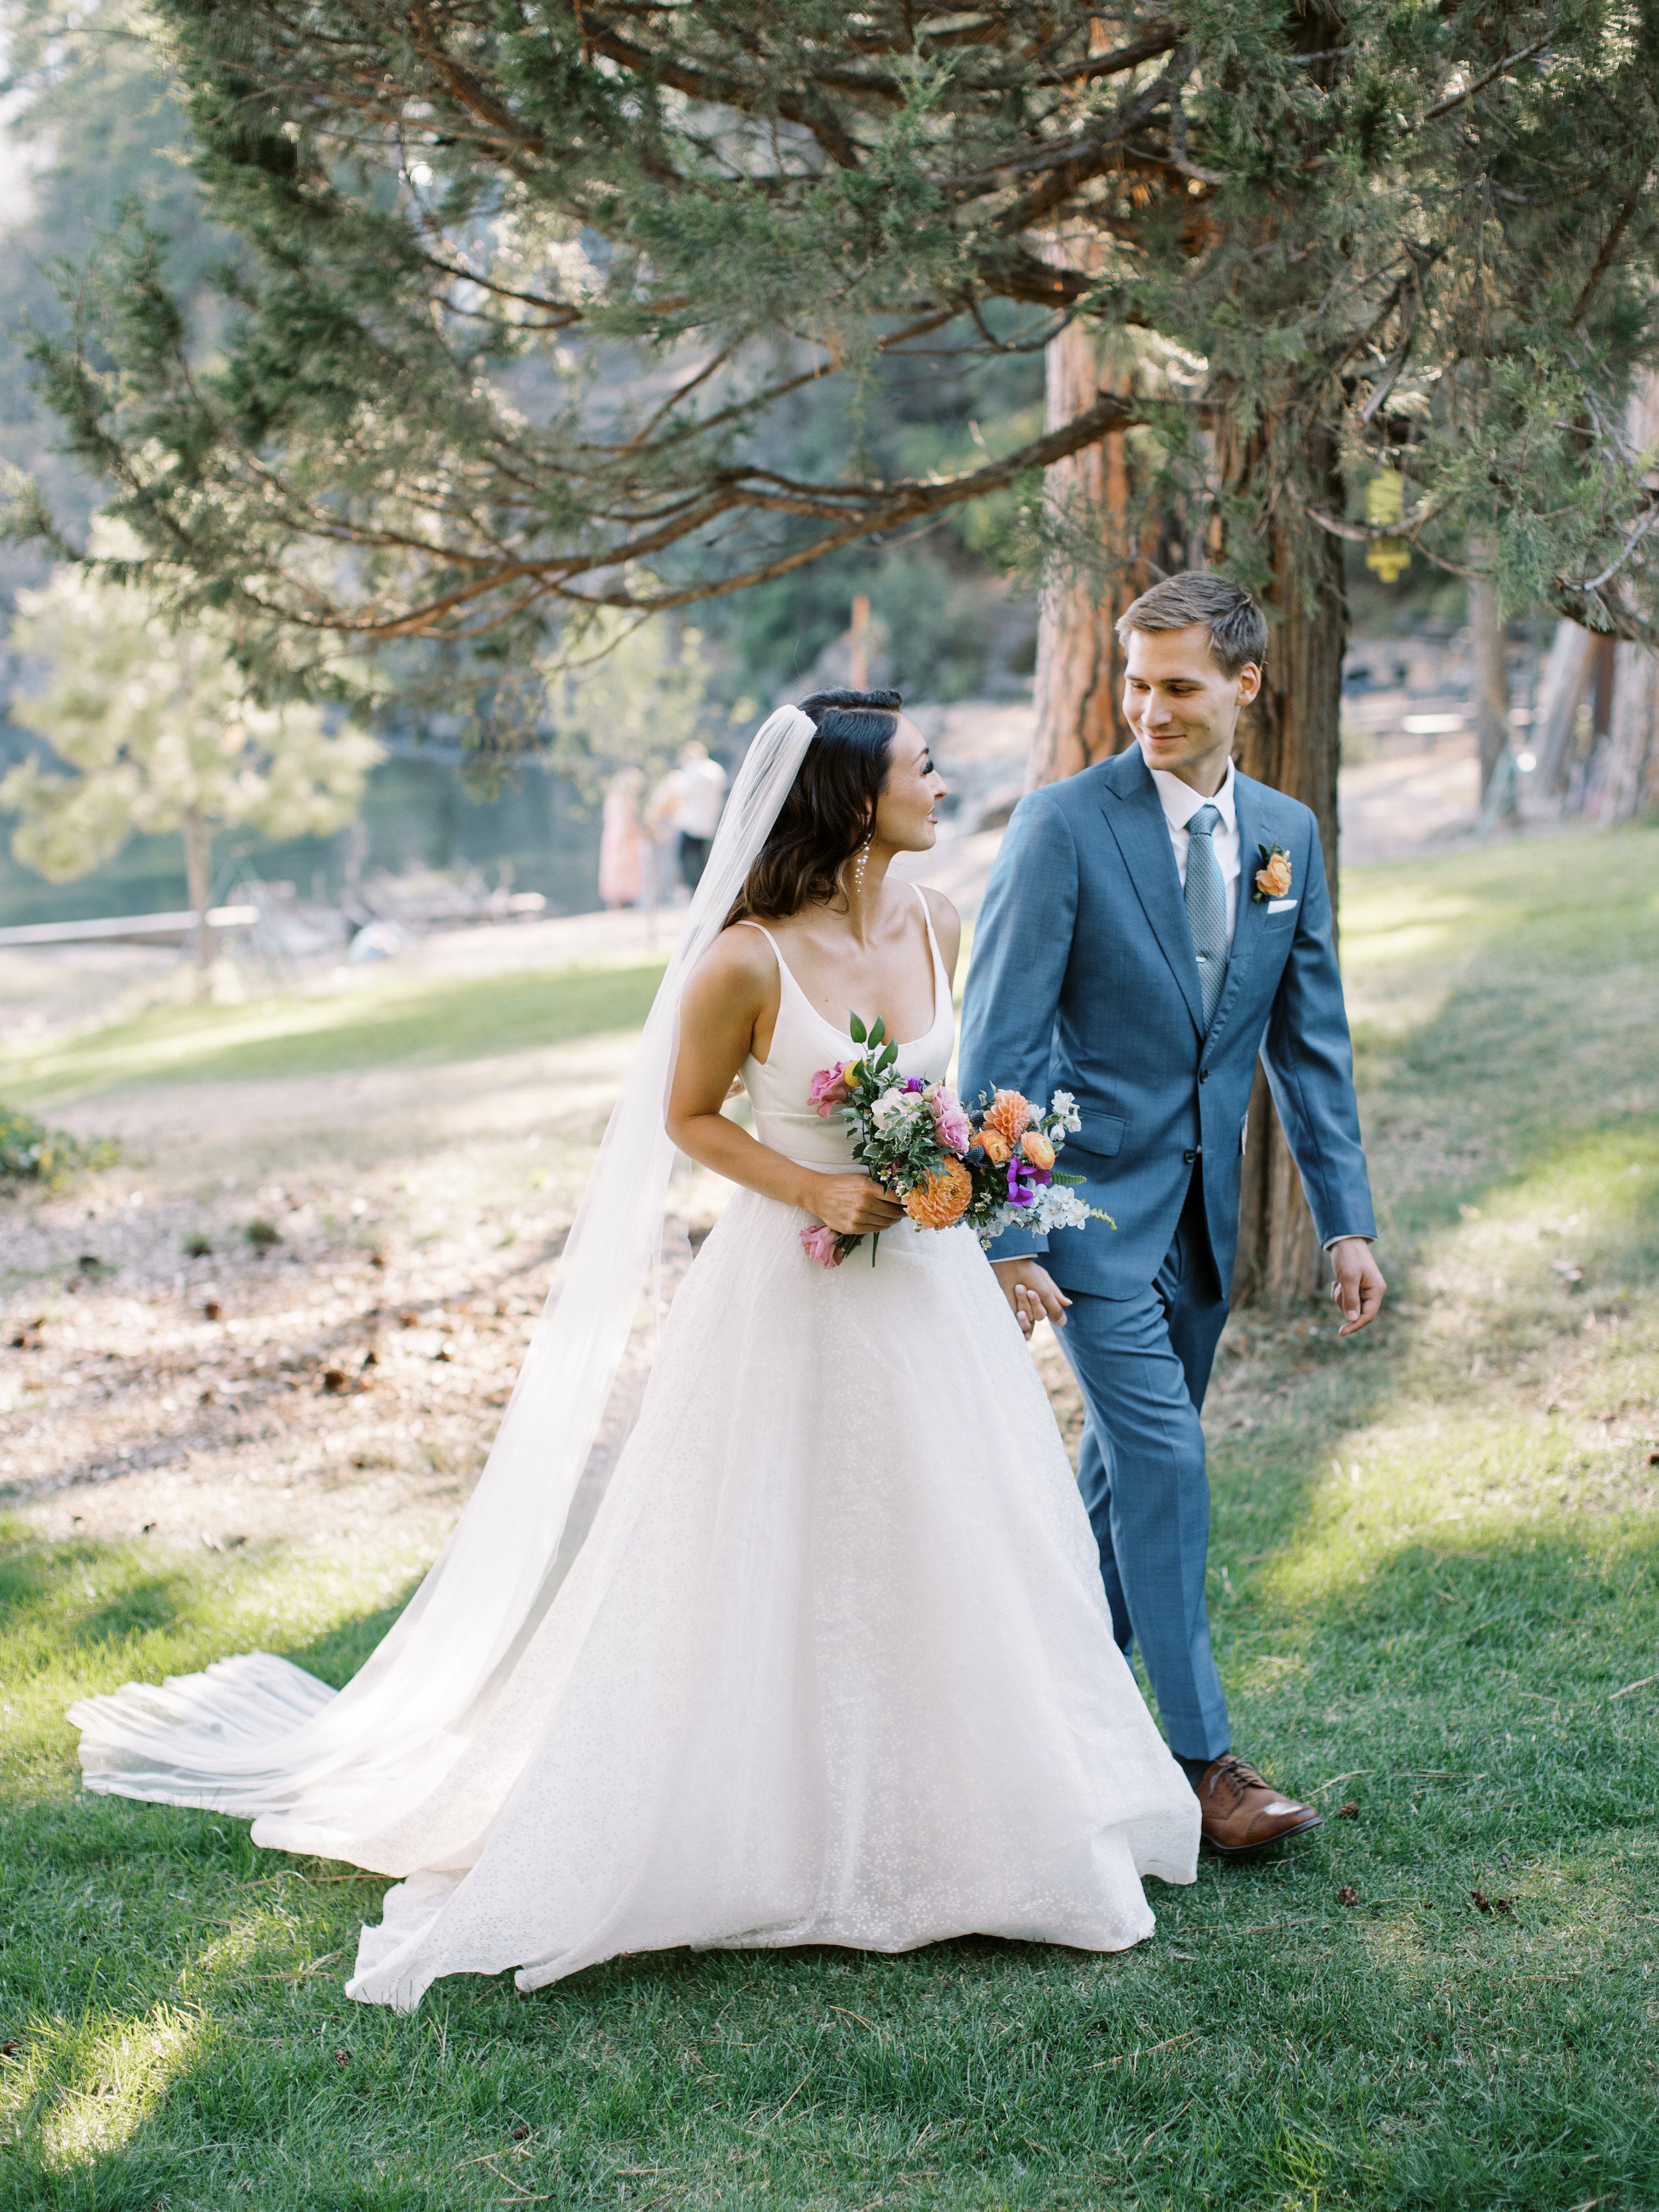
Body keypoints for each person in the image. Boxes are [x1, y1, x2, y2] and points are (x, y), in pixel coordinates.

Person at [68, 688, 1198, 2012]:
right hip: (791, 1288)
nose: (943, 783)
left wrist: (973, 1177)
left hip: (928, 1287)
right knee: (767, 1545)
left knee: (954, 1532)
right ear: (847, 798)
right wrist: (810, 1184)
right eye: (920, 766)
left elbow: (940, 1094)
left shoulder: (941, 923)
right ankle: (754, 1819)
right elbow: (686, 1117)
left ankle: (974, 1816)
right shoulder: (743, 959)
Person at [960, 572, 1386, 1857]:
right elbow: (1001, 1036)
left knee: (1112, 1489)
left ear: (1243, 685)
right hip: (1087, 1213)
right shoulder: (1058, 824)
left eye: (1177, 684)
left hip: (1200, 1220)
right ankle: (1202, 1763)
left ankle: (1047, 1736)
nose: (1146, 707)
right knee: (1161, 1464)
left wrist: (1342, 1219)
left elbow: (1307, 1043)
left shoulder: (1282, 835)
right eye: (1134, 682)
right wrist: (1012, 1228)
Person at [668, 738, 727, 890]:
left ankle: (695, 889)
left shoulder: (693, 770)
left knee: (688, 860)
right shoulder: (716, 770)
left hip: (691, 823)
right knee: (705, 860)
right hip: (710, 823)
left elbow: (682, 795)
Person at [597, 765, 646, 910]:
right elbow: (627, 824)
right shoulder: (625, 801)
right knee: (620, 871)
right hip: (623, 840)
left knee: (615, 871)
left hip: (614, 838)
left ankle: (617, 905)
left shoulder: (613, 798)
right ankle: (619, 905)